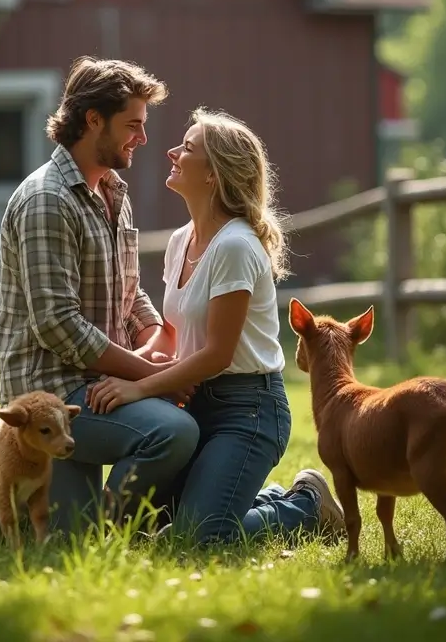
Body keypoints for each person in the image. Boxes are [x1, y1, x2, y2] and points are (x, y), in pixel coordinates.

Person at [0, 57, 200, 541]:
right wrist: (149, 377)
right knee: (172, 432)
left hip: (101, 386)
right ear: (94, 120)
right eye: (132, 125)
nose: (143, 138)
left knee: (66, 535)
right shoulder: (47, 199)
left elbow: (129, 290)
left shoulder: (113, 190)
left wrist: (153, 342)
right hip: (53, 395)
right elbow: (57, 323)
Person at [87, 108, 346, 545]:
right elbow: (171, 331)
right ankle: (258, 499)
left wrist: (138, 387)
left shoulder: (235, 246)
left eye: (187, 148)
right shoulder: (180, 240)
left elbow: (217, 354)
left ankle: (306, 506)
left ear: (213, 174)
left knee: (198, 538)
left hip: (248, 410)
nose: (172, 152)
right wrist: (135, 362)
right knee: (149, 525)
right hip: (192, 405)